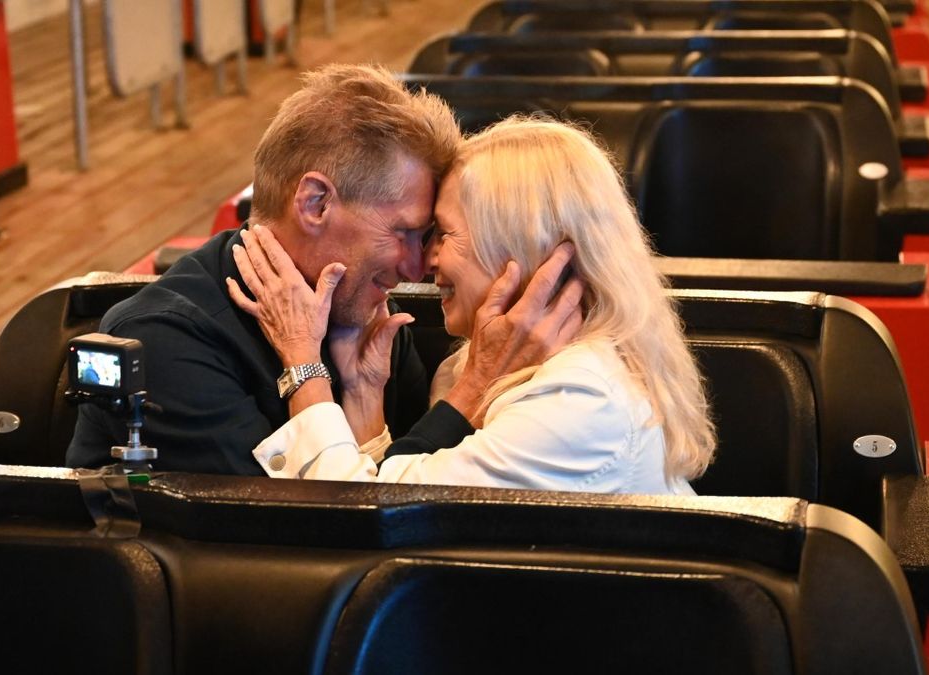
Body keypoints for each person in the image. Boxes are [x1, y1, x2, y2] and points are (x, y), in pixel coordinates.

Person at [66, 65, 581, 474]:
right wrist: (474, 388)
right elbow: (315, 534)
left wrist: (363, 395)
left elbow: (388, 478)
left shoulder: (366, 313)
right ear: (315, 204)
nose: (415, 264)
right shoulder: (165, 344)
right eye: (403, 232)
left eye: (426, 237)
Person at [232, 116, 716, 494]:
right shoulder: (515, 367)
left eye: (442, 234)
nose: (424, 263)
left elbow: (362, 519)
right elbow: (403, 493)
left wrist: (301, 360)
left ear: (517, 246)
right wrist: (362, 391)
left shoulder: (579, 401)